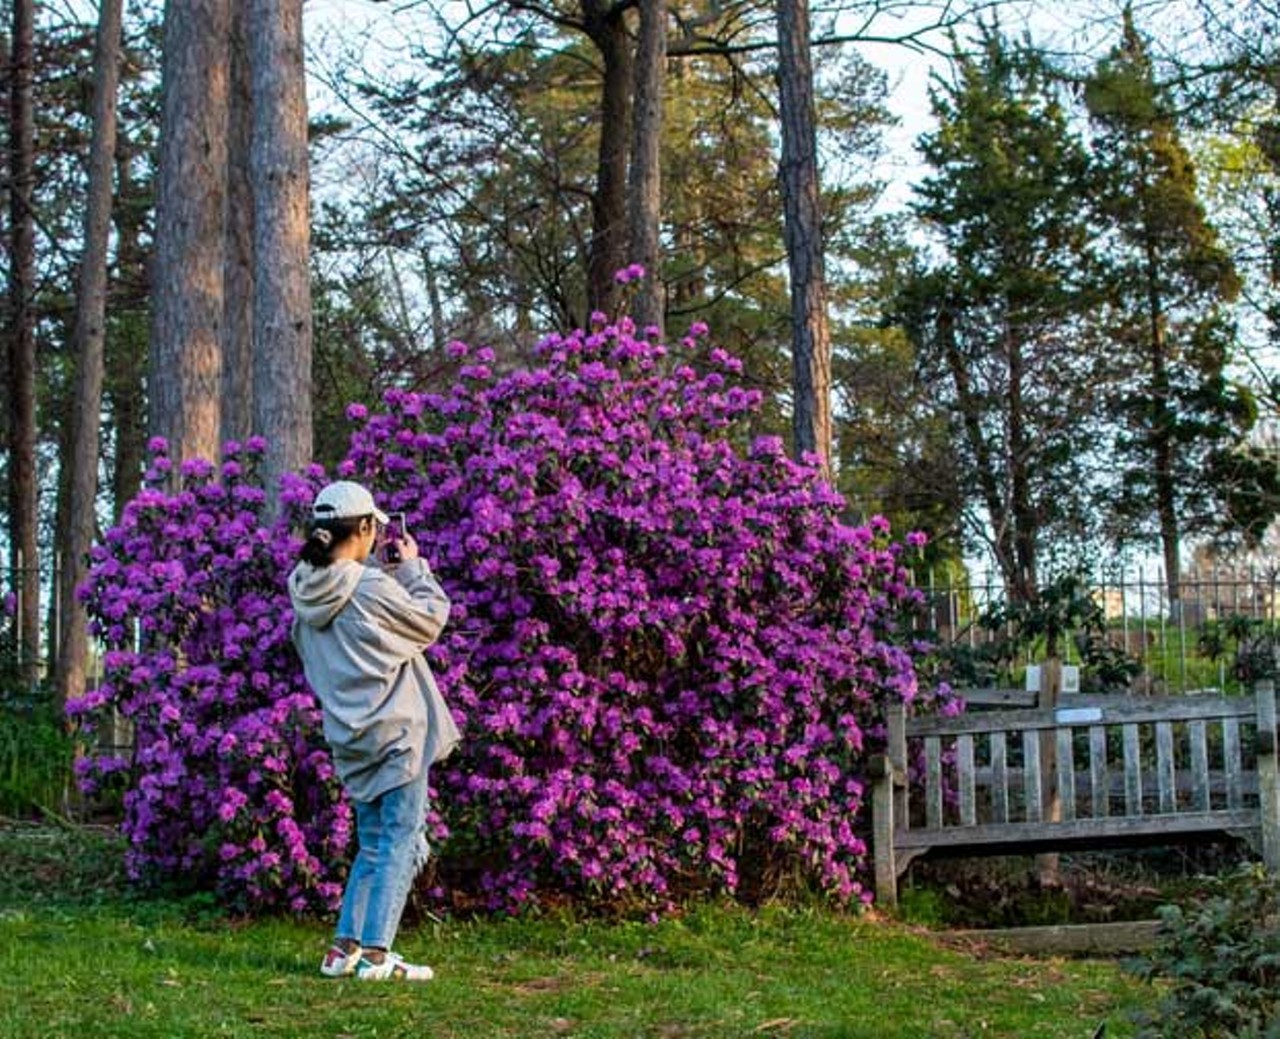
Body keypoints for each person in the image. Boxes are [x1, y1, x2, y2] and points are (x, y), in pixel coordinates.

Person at [288, 480, 460, 981]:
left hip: (350, 732)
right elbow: (430, 619)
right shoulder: (369, 586)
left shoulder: (305, 588)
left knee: (373, 841)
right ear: (364, 527)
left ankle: (344, 949)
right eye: (375, 527)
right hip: (397, 732)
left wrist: (386, 578)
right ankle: (379, 955)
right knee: (400, 839)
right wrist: (412, 568)